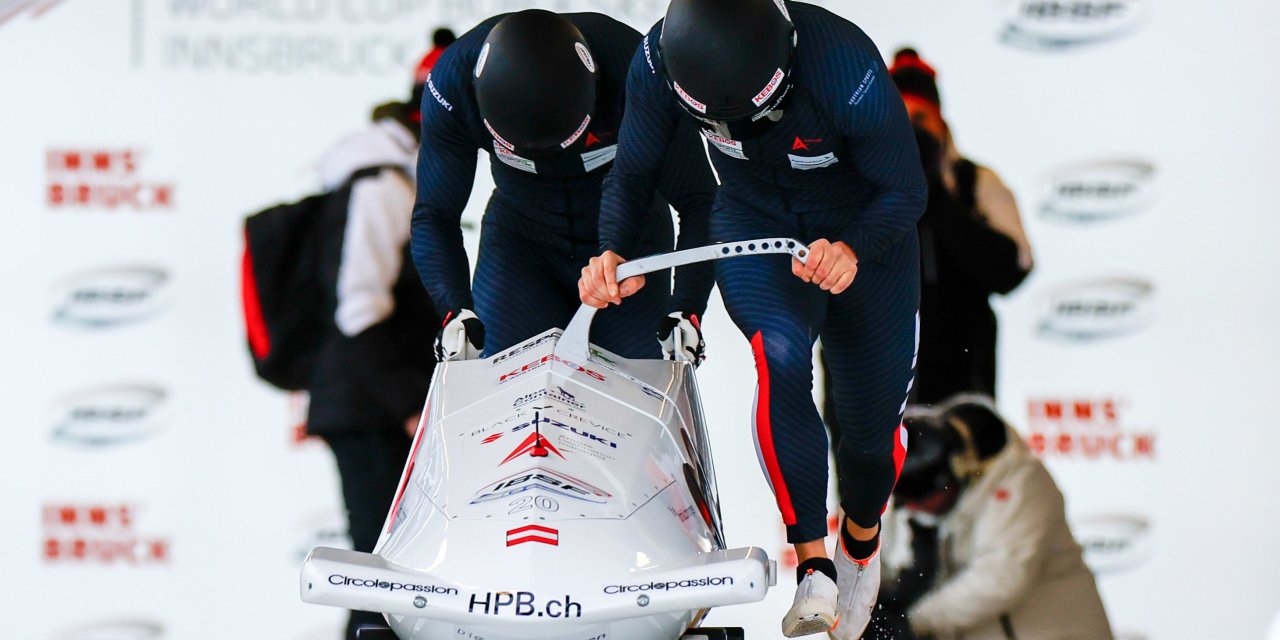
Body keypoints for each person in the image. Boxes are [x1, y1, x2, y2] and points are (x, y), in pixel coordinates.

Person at [579, 1, 926, 637]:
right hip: (753, 218)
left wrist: (853, 247)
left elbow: (906, 189)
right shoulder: (657, 61)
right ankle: (814, 566)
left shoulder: (844, 65)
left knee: (868, 435)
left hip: (863, 233)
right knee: (780, 356)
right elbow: (633, 173)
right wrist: (612, 250)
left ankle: (860, 538)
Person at [410, 9, 716, 364]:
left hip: (628, 245)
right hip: (522, 242)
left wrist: (687, 308)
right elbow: (435, 213)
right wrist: (454, 309)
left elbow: (699, 200)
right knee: (505, 382)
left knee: (634, 387)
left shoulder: (633, 67)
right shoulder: (452, 85)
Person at [310, 99, 439, 640]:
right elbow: (358, 312)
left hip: (373, 403)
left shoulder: (394, 178)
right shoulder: (380, 185)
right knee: (378, 574)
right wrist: (409, 405)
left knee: (388, 572)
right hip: (370, 409)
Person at [873, 396, 1113, 640]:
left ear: (960, 468)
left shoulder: (1022, 483)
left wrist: (913, 622)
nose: (915, 508)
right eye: (907, 502)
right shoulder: (915, 495)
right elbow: (888, 563)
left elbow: (1001, 578)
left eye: (924, 499)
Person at [889, 48, 1033, 405]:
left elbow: (1013, 269)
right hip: (878, 399)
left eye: (920, 118)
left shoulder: (978, 182)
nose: (912, 131)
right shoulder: (858, 186)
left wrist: (936, 196)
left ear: (940, 122)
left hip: (962, 398)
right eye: (900, 118)